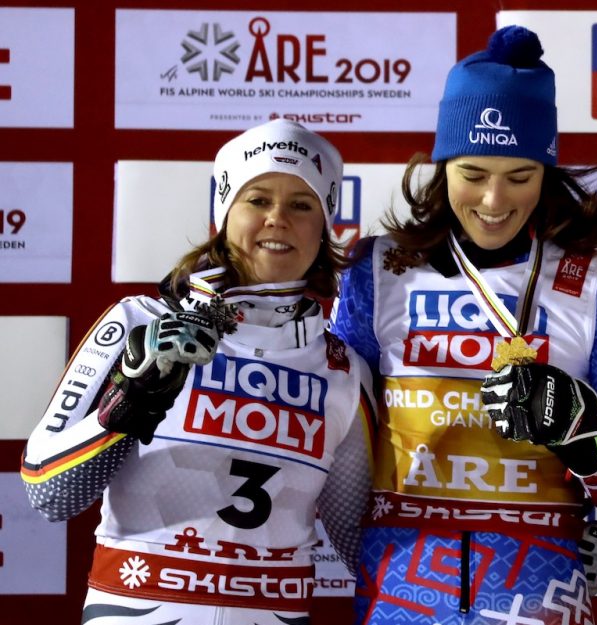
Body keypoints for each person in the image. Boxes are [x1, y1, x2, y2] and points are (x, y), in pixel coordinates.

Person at [331, 25, 597, 625]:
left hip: (538, 596)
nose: (492, 200)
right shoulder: (377, 273)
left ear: (548, 170)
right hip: (400, 599)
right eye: (472, 173)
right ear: (441, 166)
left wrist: (586, 441)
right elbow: (332, 452)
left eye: (520, 177)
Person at [21, 119, 375, 625]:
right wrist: (131, 400)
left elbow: (362, 541)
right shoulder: (138, 325)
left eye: (302, 205)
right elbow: (48, 492)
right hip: (136, 608)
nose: (278, 219)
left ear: (325, 227)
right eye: (257, 200)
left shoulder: (342, 371)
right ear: (224, 213)